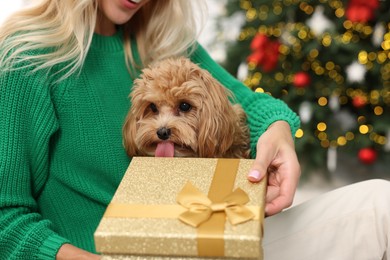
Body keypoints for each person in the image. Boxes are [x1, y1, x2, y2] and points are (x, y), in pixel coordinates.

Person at [0, 0, 388, 259]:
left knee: (379, 206)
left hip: (207, 239)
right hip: (111, 252)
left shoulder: (159, 39)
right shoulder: (29, 57)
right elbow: (7, 217)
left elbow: (244, 102)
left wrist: (278, 132)